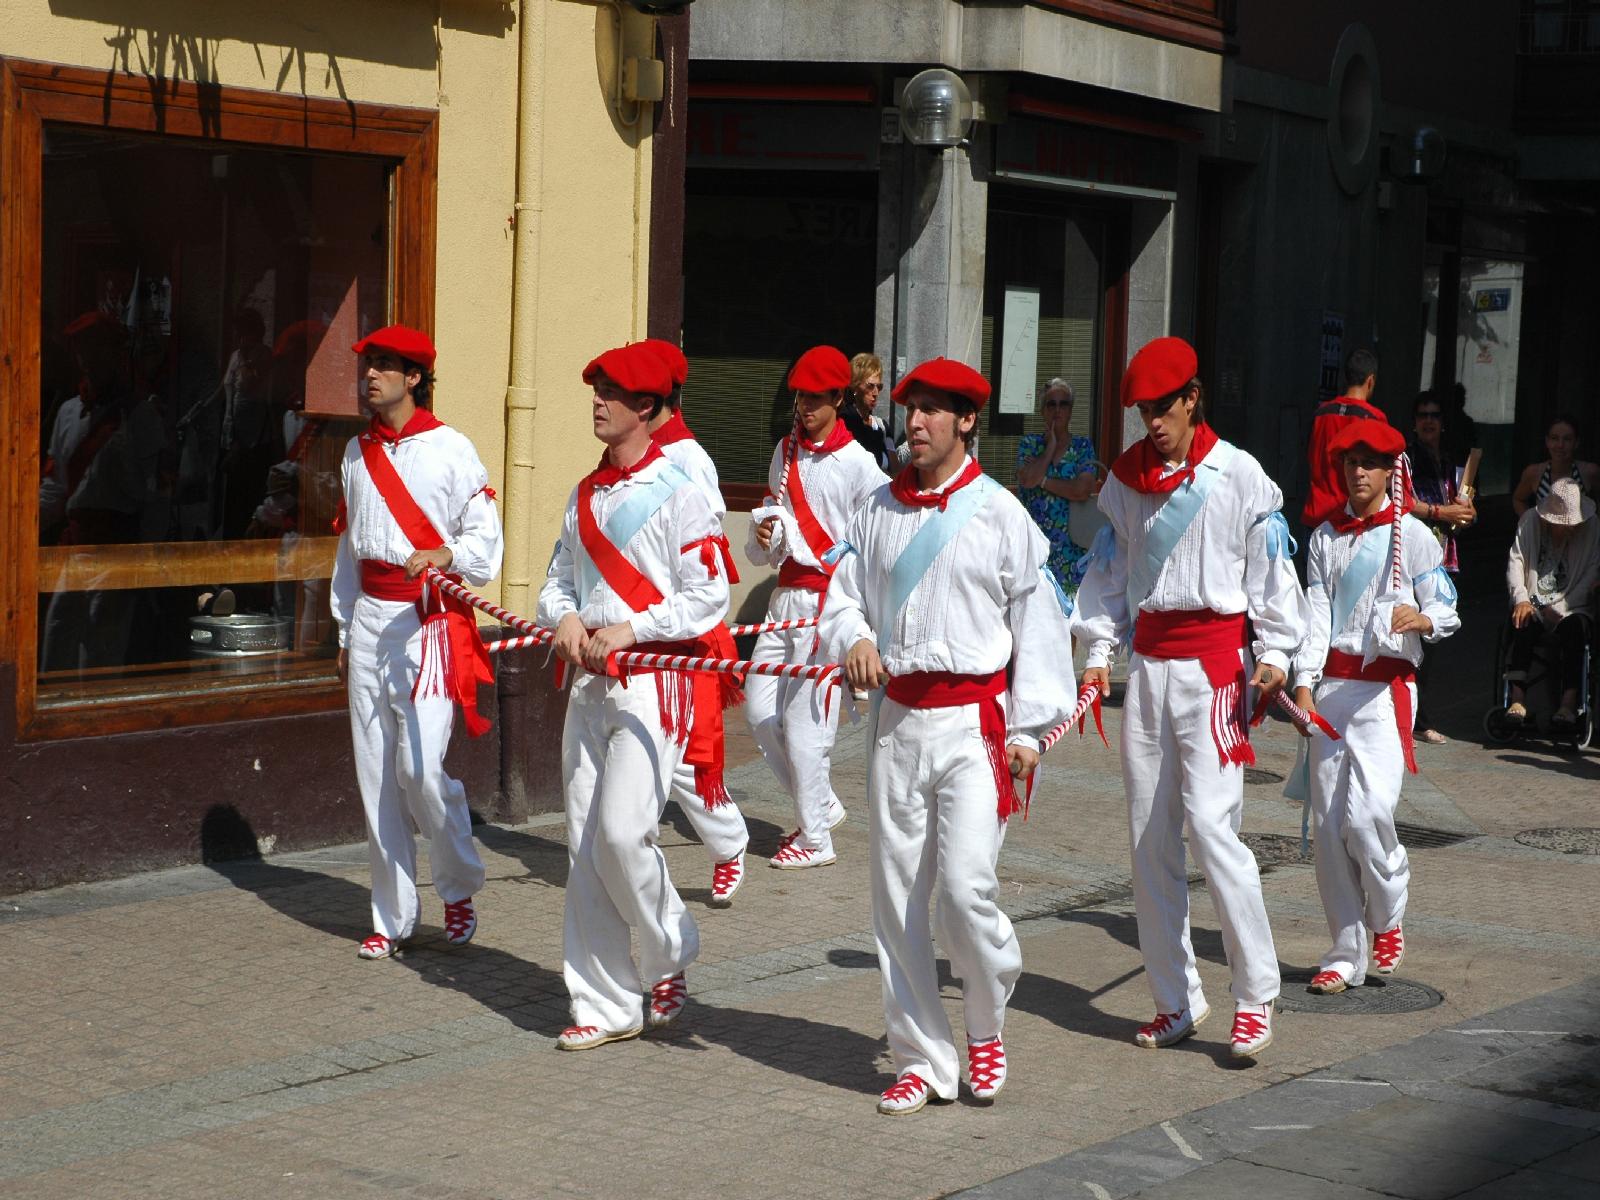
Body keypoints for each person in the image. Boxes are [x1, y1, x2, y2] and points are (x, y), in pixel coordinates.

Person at [821, 356, 1078, 1114]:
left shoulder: (1001, 513)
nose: (917, 423)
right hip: (897, 723)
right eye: (911, 409)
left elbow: (1039, 624)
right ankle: (922, 1060)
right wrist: (853, 637)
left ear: (967, 420)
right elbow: (841, 597)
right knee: (898, 901)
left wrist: (1031, 729)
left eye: (934, 410)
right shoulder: (875, 508)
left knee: (965, 893)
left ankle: (986, 1019)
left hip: (975, 727)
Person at [1071, 336, 1308, 1059]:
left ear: (1193, 398)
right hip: (1148, 670)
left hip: (1215, 669)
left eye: (1164, 408)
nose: (1153, 423)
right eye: (1144, 411)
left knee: (1212, 829)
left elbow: (1273, 576)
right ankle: (1174, 999)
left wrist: (1275, 655)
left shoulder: (1240, 475)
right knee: (1149, 839)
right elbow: (1110, 578)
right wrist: (1098, 656)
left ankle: (1256, 993)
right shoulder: (1125, 481)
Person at [538, 342, 731, 1050]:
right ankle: (605, 1004)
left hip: (655, 682)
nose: (597, 401)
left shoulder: (681, 490)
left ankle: (669, 942)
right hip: (590, 684)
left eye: (611, 392)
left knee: (622, 834)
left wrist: (631, 628)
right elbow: (557, 580)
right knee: (584, 846)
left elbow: (708, 595)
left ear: (645, 406)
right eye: (596, 389)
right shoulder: (583, 494)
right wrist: (562, 616)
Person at [330, 325, 503, 961]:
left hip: (428, 623)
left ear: (415, 378)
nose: (370, 375)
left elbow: (486, 544)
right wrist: (345, 627)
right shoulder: (355, 452)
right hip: (370, 621)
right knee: (375, 775)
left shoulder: (452, 448)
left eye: (384, 365)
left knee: (420, 770)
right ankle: (393, 915)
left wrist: (446, 554)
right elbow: (348, 551)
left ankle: (457, 886)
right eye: (368, 364)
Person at [1292, 420, 1459, 995]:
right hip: (1332, 693)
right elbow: (1315, 617)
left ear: (1391, 470)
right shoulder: (1324, 537)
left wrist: (1423, 618)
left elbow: (1447, 604)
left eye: (1369, 462)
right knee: (1327, 827)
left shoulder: (1413, 536)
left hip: (1386, 693)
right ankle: (1345, 952)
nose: (1358, 472)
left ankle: (1387, 912)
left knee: (1367, 817)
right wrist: (1304, 682)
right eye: (1349, 462)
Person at [744, 346, 886, 869]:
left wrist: (859, 609)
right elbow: (771, 525)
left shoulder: (860, 465)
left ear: (839, 399)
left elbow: (878, 537)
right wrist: (764, 534)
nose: (805, 406)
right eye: (800, 397)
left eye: (816, 398)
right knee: (759, 713)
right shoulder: (784, 451)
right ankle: (820, 805)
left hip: (828, 605)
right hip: (783, 599)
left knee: (806, 728)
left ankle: (815, 838)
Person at [640, 336, 752, 906]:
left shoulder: (687, 458)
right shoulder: (627, 455)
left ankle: (728, 843)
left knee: (683, 758)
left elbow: (702, 553)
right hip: (630, 630)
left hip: (677, 628)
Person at [1406, 392, 1475, 744]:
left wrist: (1465, 513)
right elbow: (1403, 502)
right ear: (1414, 421)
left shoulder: (1450, 461)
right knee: (1415, 637)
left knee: (1431, 640)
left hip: (1444, 555)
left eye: (1434, 415)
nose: (1428, 421)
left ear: (1443, 422)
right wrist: (1440, 512)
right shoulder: (1407, 458)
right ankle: (1414, 716)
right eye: (1422, 415)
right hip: (1415, 556)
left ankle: (1416, 713)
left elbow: (1464, 506)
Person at [1505, 477, 1598, 729]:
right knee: (1522, 622)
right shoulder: (1530, 522)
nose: (1570, 528)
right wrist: (1521, 599)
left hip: (1572, 605)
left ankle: (1568, 703)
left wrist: (1560, 609)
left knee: (1575, 630)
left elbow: (1592, 573)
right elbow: (1516, 562)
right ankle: (1517, 699)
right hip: (1534, 599)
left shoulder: (1592, 527)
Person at [1015, 377, 1101, 603]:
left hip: (1072, 549)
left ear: (1070, 410)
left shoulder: (1082, 447)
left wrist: (1043, 480)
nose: (1057, 410)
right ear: (1042, 410)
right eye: (1051, 404)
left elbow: (1081, 491)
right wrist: (1050, 448)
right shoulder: (1030, 444)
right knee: (1034, 612)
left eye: (1063, 404)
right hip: (1035, 547)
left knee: (1070, 613)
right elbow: (1027, 480)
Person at [1301, 347, 1386, 532]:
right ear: (1370, 380)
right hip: (1351, 519)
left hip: (1317, 515)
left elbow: (1309, 457)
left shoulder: (1320, 414)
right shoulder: (1374, 419)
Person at [1511, 414, 1600, 518]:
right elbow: (1518, 499)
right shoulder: (1534, 473)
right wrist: (1531, 522)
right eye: (1554, 438)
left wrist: (1594, 524)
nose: (1560, 445)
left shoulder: (1589, 472)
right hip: (1544, 528)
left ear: (1576, 443)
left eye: (1567, 439)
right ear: (1547, 441)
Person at [841, 351, 894, 472]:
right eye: (870, 386)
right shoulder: (844, 421)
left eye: (879, 387)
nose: (876, 393)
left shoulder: (882, 426)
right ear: (855, 386)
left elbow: (895, 467)